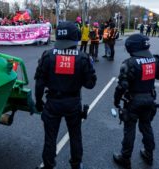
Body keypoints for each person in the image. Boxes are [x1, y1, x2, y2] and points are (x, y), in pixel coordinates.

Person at [34, 21, 97, 169]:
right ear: (76, 37)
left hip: (53, 102)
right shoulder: (83, 57)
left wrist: (38, 101)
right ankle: (76, 165)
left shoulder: (48, 55)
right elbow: (90, 84)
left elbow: (39, 83)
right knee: (75, 136)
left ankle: (49, 165)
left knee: (50, 138)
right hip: (73, 102)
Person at [113, 34, 159, 169]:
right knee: (146, 127)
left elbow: (122, 86)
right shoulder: (154, 60)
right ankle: (149, 154)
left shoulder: (129, 63)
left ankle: (125, 158)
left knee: (129, 130)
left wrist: (116, 101)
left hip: (132, 102)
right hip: (149, 100)